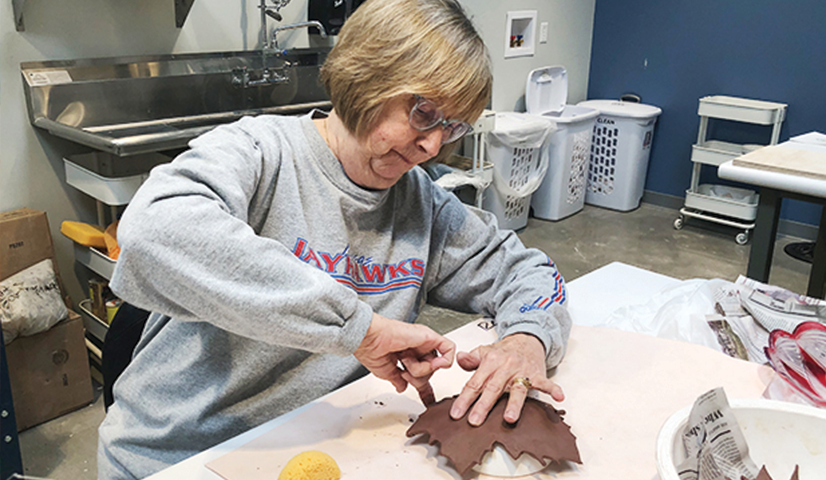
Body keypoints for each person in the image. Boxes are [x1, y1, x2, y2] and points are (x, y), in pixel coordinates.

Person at [97, 0, 572, 478]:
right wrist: (358, 329)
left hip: (315, 449)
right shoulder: (261, 153)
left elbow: (532, 274)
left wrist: (526, 341)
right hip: (178, 458)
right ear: (368, 78)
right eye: (425, 113)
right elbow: (154, 230)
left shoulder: (422, 204)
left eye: (452, 127)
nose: (433, 146)